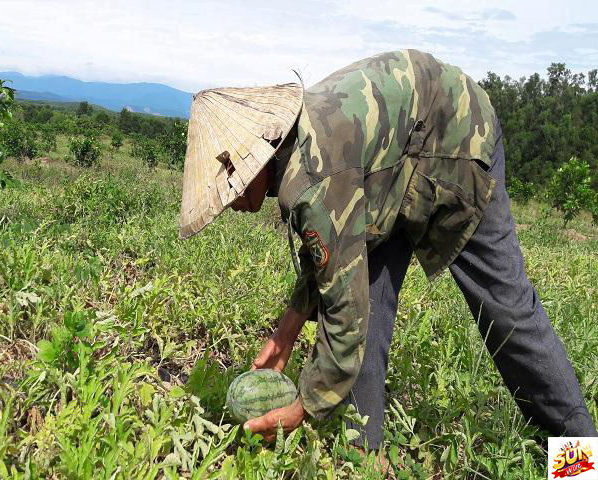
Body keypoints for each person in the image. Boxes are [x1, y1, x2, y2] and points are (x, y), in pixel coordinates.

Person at [179, 49, 597, 451]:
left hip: (456, 138)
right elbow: (329, 256)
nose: (230, 202)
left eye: (228, 189)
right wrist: (285, 334)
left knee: (507, 312)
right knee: (370, 296)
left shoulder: (315, 177)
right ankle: (364, 451)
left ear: (249, 161)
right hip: (392, 166)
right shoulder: (297, 146)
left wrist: (303, 407)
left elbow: (343, 311)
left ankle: (580, 458)